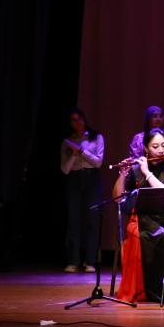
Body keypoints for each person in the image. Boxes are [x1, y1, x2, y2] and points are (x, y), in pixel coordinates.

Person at [114, 128, 164, 303]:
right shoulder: (135, 169)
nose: (161, 150)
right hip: (141, 218)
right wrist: (123, 174)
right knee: (136, 233)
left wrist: (147, 172)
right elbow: (117, 198)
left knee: (163, 236)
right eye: (155, 146)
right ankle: (140, 289)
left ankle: (161, 290)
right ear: (146, 148)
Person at [60, 107, 104, 273]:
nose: (77, 123)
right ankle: (73, 260)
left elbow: (98, 162)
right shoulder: (67, 142)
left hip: (92, 178)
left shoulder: (95, 137)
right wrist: (73, 154)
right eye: (73, 120)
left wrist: (81, 151)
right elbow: (64, 169)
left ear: (84, 120)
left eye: (79, 119)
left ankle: (90, 261)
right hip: (74, 179)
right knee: (74, 219)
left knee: (92, 219)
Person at [128, 105, 164, 171]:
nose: (158, 119)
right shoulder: (138, 138)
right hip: (142, 174)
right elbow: (134, 160)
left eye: (160, 116)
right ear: (148, 119)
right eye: (155, 116)